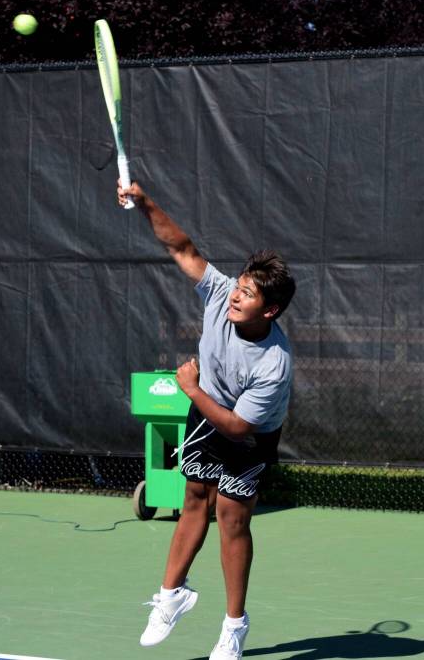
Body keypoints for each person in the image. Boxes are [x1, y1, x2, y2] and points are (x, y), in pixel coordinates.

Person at [119, 181, 295, 660]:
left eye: (248, 294)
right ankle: (173, 594)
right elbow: (181, 246)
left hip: (246, 435)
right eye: (238, 286)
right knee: (194, 497)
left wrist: (192, 389)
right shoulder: (219, 294)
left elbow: (239, 427)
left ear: (271, 309)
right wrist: (145, 202)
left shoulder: (273, 364)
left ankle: (234, 626)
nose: (236, 297)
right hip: (206, 408)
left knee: (232, 519)